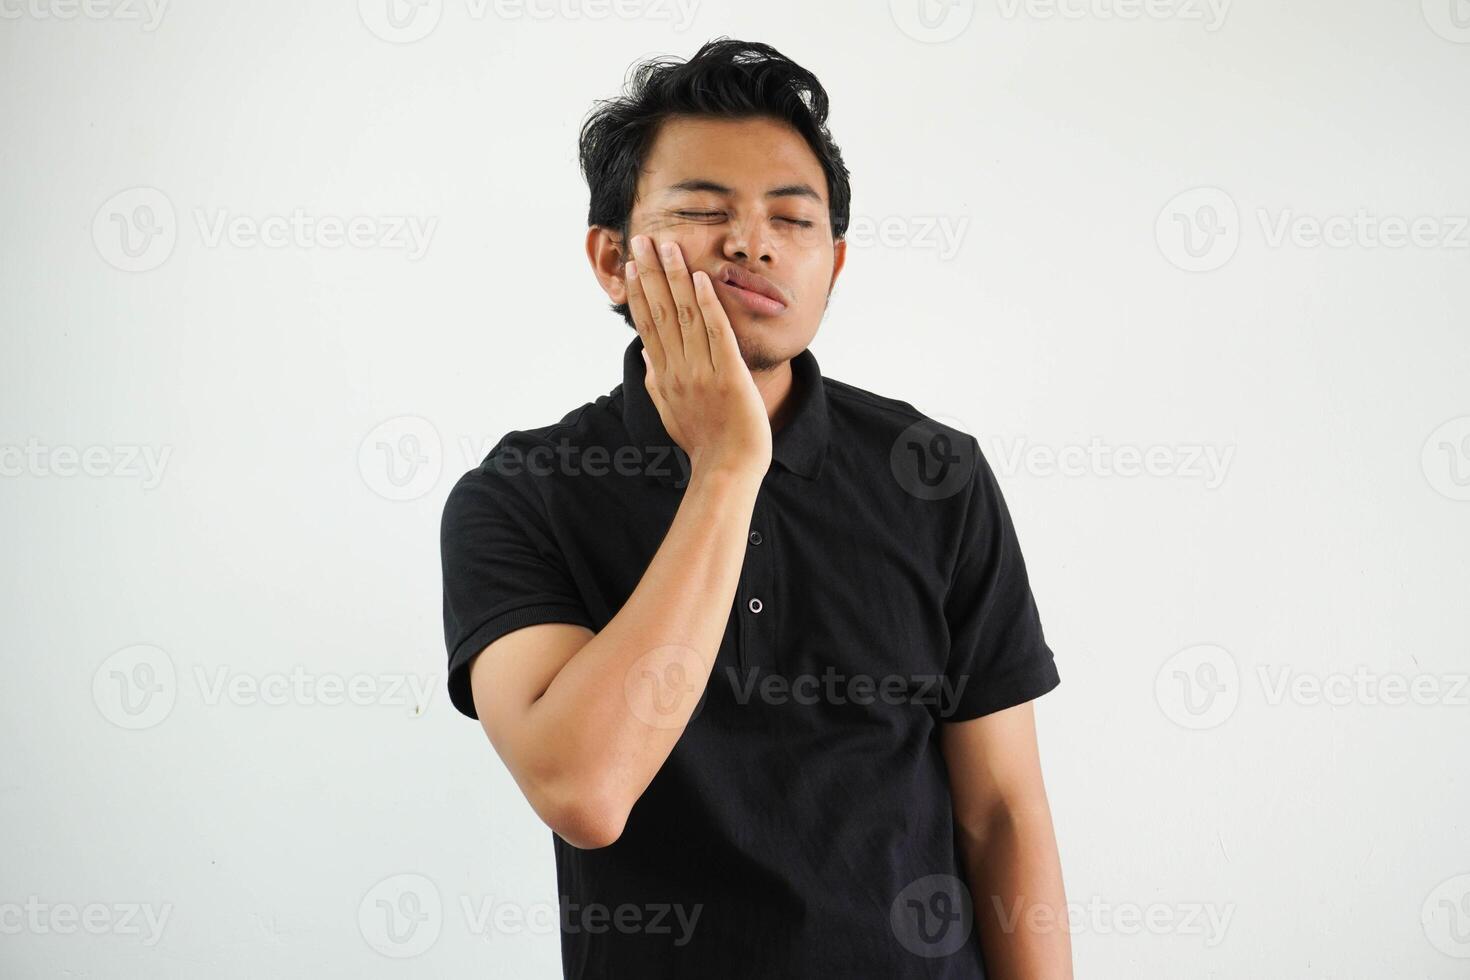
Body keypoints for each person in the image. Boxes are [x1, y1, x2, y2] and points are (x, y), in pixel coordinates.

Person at [440, 37, 1072, 979]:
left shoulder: (933, 473)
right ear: (612, 261)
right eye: (702, 211)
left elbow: (1002, 812)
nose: (753, 243)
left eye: (793, 218)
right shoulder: (521, 495)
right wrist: (728, 469)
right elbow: (584, 789)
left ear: (835, 264)